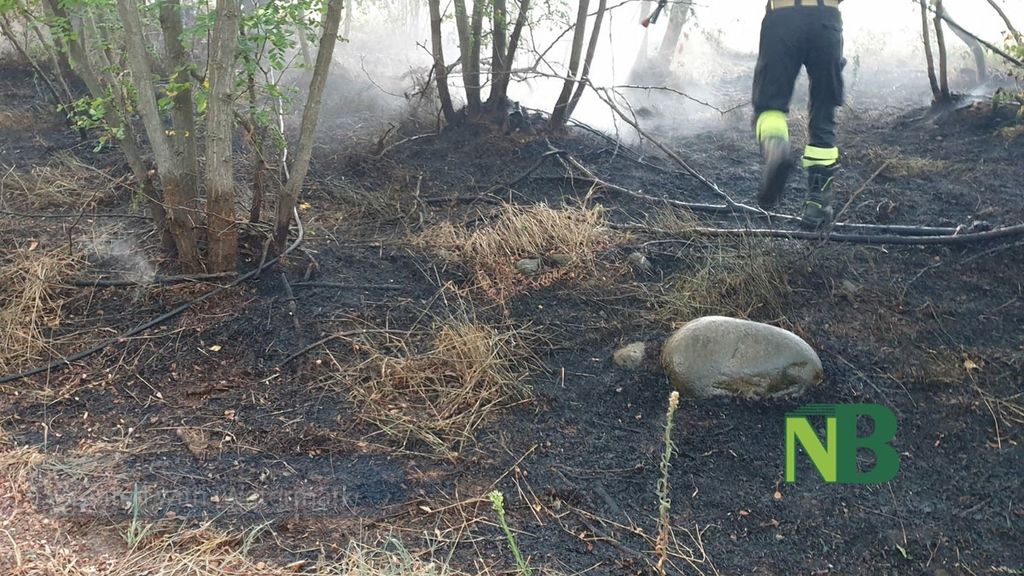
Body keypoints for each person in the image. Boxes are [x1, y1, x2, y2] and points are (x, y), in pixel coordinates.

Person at [752, 0, 845, 228]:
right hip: (826, 21)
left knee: (770, 106)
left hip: (782, 18)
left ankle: (776, 150)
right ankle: (817, 203)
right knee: (823, 113)